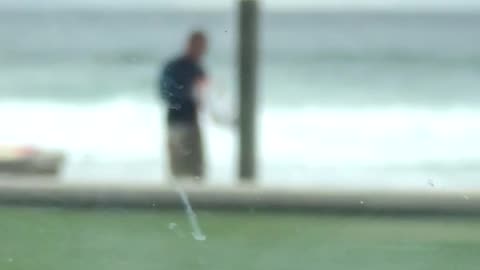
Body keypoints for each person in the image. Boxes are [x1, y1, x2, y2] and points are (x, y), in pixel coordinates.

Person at [158, 31, 208, 180]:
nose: (202, 51)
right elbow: (166, 93)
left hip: (192, 123)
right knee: (178, 171)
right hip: (177, 123)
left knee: (197, 171)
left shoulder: (198, 68)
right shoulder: (174, 67)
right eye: (200, 46)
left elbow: (204, 96)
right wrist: (189, 94)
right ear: (191, 44)